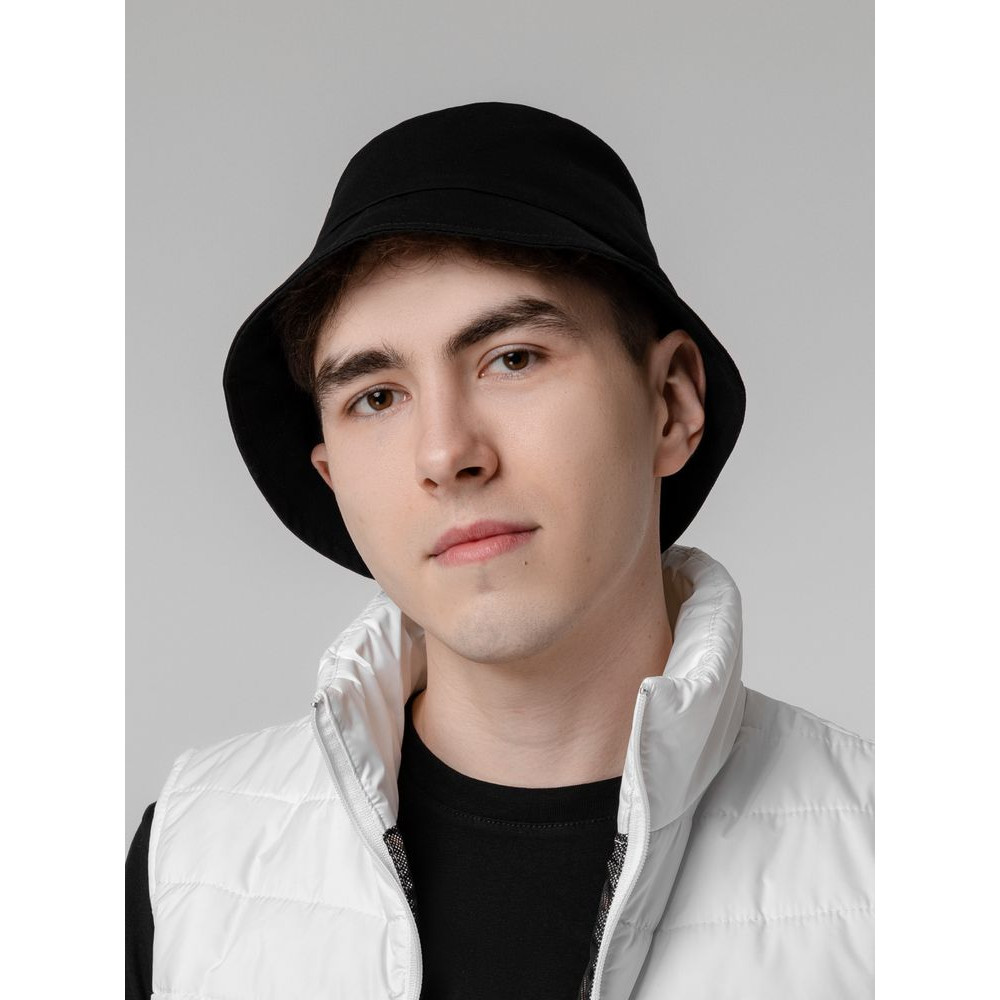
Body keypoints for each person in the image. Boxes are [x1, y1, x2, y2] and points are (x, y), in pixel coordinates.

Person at [126, 102, 874, 1000]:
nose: (447, 453)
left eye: (512, 359)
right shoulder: (188, 867)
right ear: (331, 475)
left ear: (670, 404)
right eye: (376, 397)